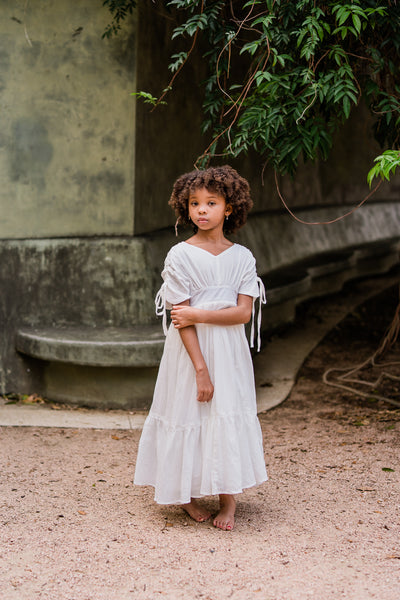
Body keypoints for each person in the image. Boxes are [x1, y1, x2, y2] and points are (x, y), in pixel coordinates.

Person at [134, 165, 267, 531]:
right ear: (185, 207)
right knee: (186, 413)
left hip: (229, 351)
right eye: (195, 203)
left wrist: (198, 311)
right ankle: (185, 496)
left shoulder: (242, 258)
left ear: (230, 208)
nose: (202, 210)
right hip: (189, 353)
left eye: (211, 202)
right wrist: (200, 368)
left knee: (226, 414)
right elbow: (181, 319)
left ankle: (229, 500)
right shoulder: (179, 255)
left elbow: (242, 314)